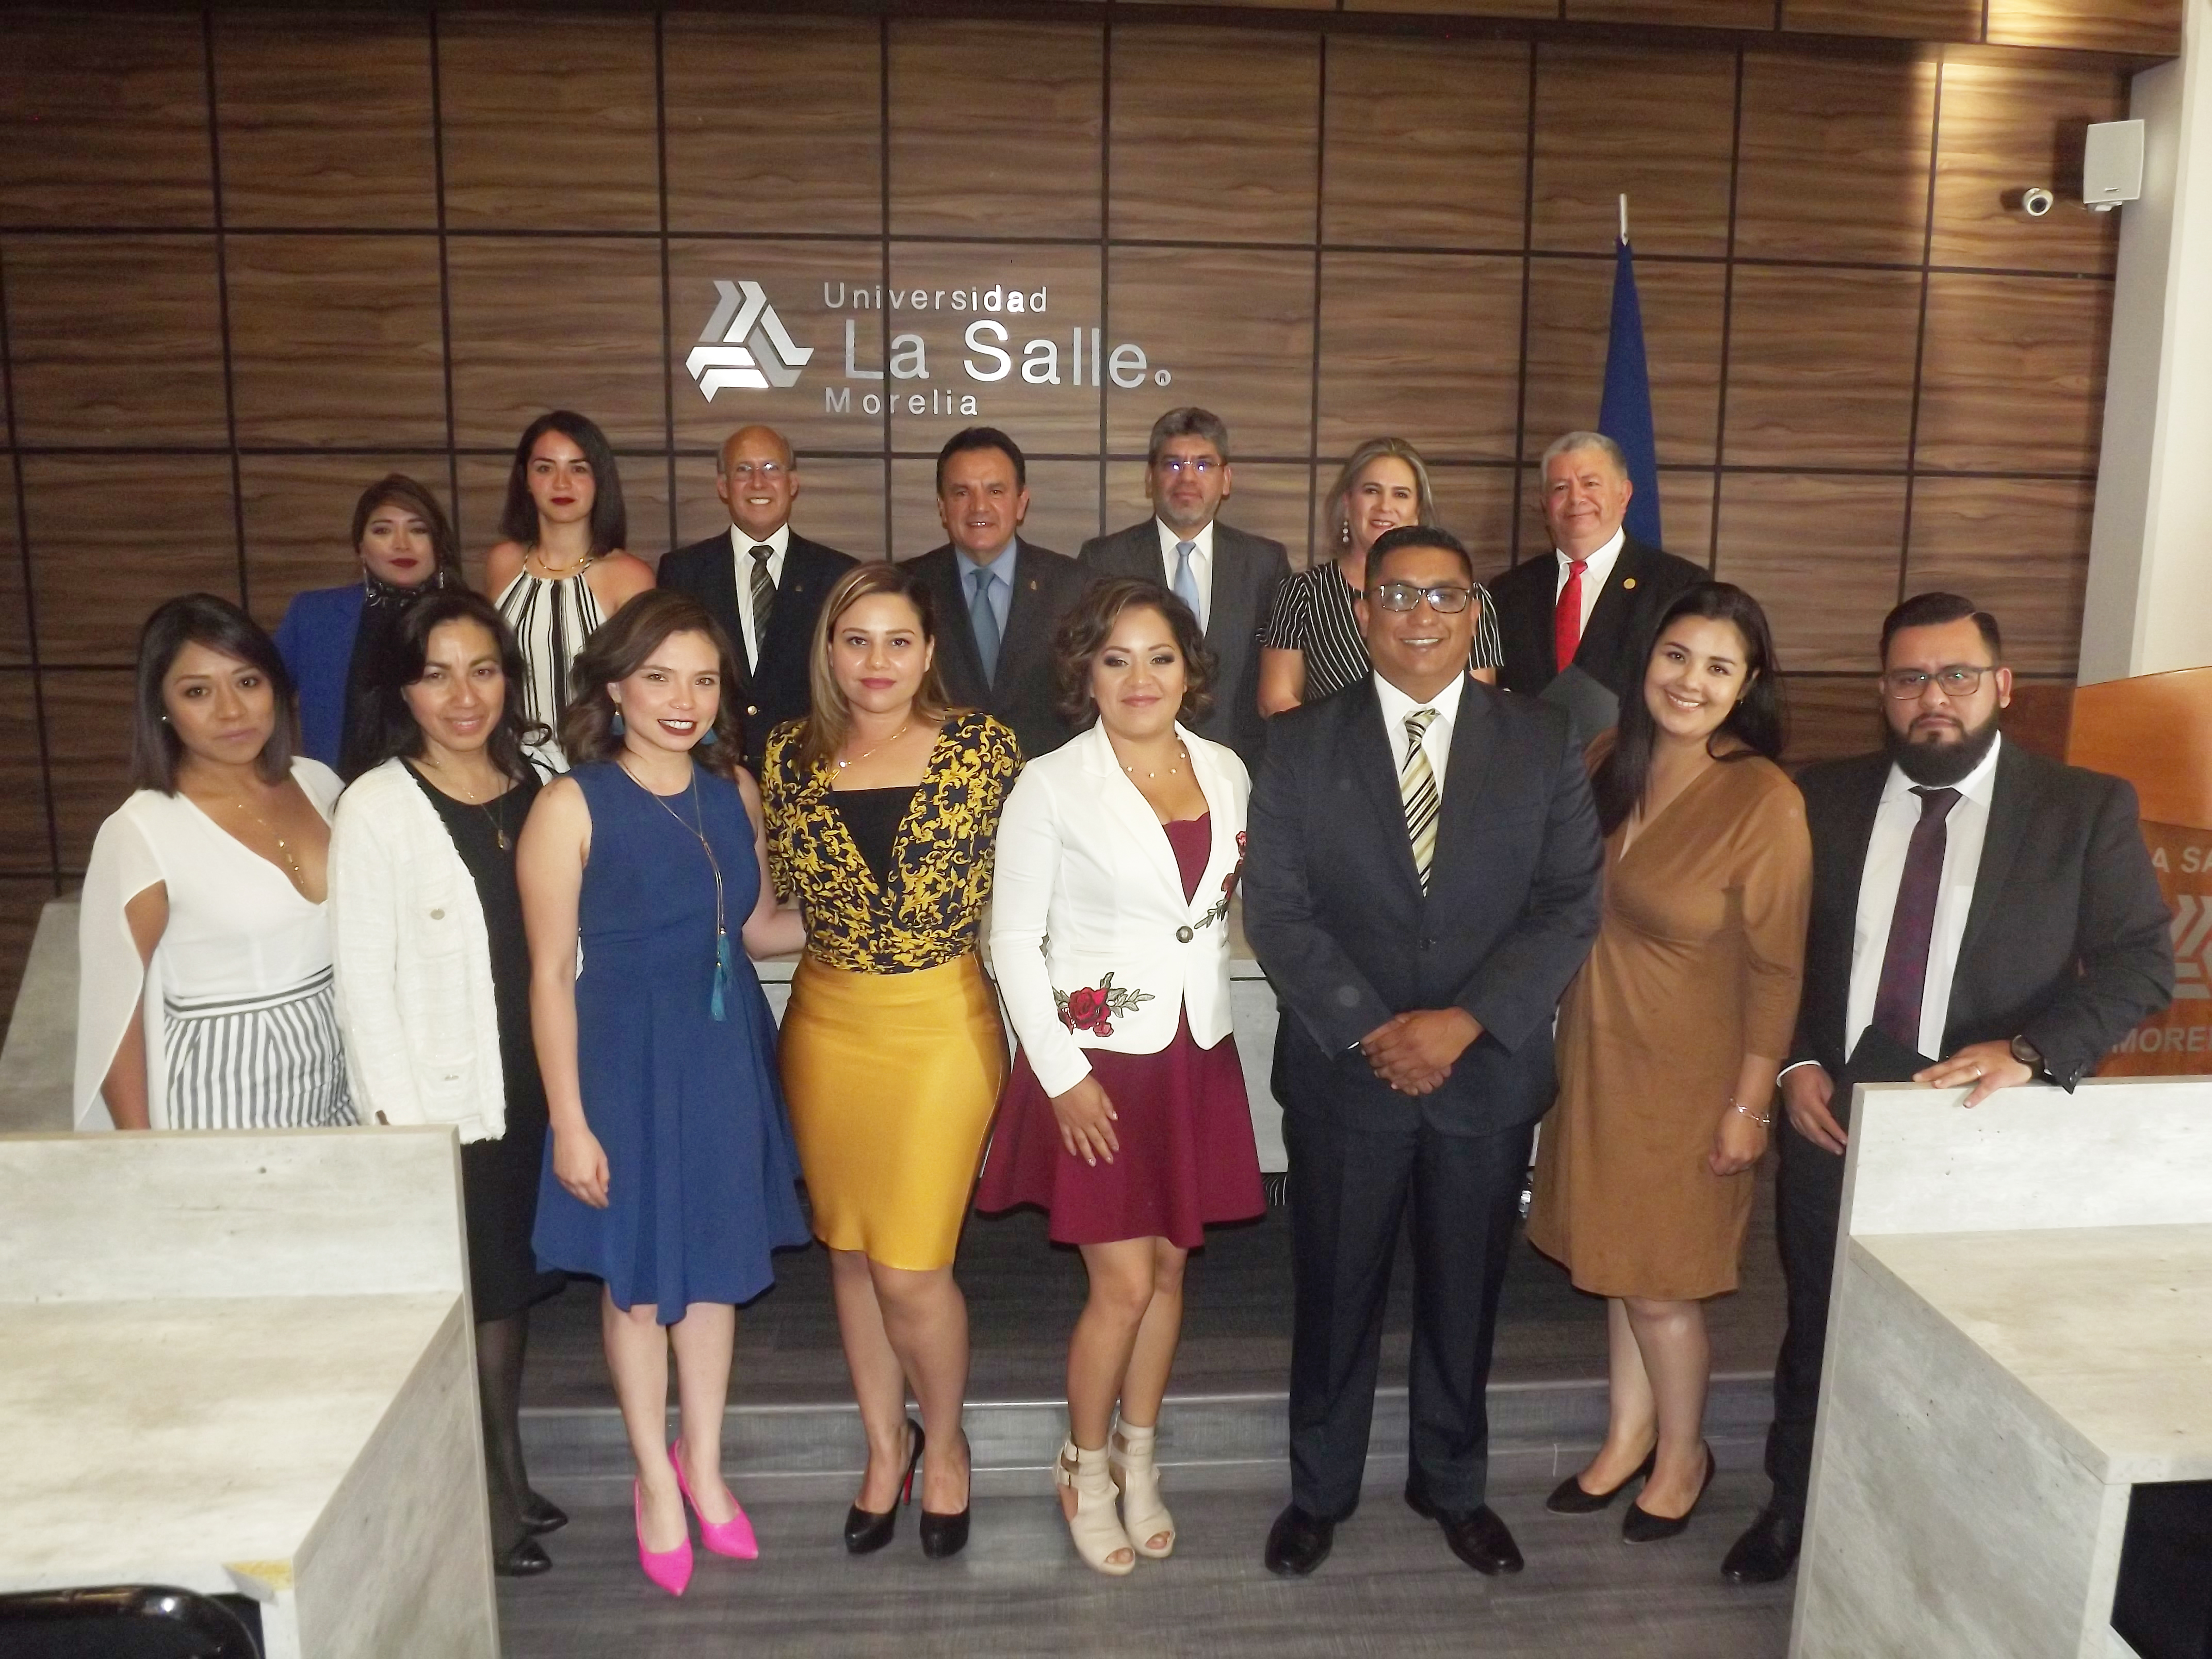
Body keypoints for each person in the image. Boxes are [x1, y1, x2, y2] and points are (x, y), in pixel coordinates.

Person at [1721, 591, 2174, 1587]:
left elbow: (2143, 963)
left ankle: (1937, 1534)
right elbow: (1773, 955)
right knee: (1816, 1326)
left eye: (1956, 676)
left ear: (2001, 686)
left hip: (1982, 1127)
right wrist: (1796, 1062)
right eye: (1910, 678)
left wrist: (2030, 1052)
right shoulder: (1817, 798)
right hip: (1832, 1116)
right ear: (1883, 693)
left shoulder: (2080, 808)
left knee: (1963, 1347)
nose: (1934, 698)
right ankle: (1793, 1506)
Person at [1243, 525, 1603, 1580]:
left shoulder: (1539, 741)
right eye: (1397, 595)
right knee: (1333, 1292)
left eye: (1445, 598)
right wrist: (1370, 1026)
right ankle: (1319, 1491)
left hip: (1481, 1075)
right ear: (1361, 615)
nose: (1421, 617)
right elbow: (1279, 909)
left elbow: (1567, 903)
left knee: (1463, 1297)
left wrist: (1465, 1021)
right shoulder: (1300, 743)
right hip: (1344, 1073)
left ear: (1473, 617)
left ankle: (1452, 1486)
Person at [517, 590, 810, 1597]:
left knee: (720, 1268)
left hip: (724, 1053)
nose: (681, 700)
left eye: (701, 678)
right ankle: (653, 1477)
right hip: (623, 1061)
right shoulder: (569, 804)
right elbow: (551, 974)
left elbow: (760, 928)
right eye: (657, 678)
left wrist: (874, 913)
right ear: (614, 688)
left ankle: (708, 1467)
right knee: (640, 1284)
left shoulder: (734, 788)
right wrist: (568, 1121)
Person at [977, 577, 1266, 1576]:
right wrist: (1058, 1075)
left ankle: (1142, 1458)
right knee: (1123, 1282)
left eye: (1158, 657)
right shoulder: (1050, 783)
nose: (1138, 678)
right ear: (1084, 675)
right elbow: (1011, 939)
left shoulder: (1227, 770)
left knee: (1173, 1267)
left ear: (1190, 671)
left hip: (1193, 1049)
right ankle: (1083, 1464)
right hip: (1093, 1065)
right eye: (1115, 659)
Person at [1526, 582, 1811, 1543]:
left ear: (1748, 685)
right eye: (1675, 656)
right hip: (1599, 1057)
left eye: (1718, 666)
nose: (1689, 681)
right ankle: (1625, 1436)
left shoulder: (1762, 798)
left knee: (1661, 1283)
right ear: (1645, 661)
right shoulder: (1610, 757)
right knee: (1616, 1262)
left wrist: (1749, 1105)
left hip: (1692, 1077)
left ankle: (1683, 1452)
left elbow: (1778, 968)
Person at [761, 561, 1022, 1562]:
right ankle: (884, 1447)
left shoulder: (983, 750)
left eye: (898, 641)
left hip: (939, 1028)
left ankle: (945, 1445)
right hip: (827, 1029)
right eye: (855, 640)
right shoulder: (786, 754)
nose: (877, 662)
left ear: (927, 651)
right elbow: (777, 917)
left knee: (912, 1269)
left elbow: (1038, 875)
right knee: (852, 1258)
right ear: (827, 650)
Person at [329, 590, 568, 1579]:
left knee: (511, 1283)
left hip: (540, 1081)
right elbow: (361, 979)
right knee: (484, 1295)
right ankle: (491, 1487)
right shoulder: (378, 804)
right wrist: (397, 1123)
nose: (462, 695)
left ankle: (506, 1471)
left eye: (481, 669)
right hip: (445, 1099)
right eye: (434, 673)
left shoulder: (542, 783)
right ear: (400, 688)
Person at [74, 595, 353, 1133]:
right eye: (197, 691)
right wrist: (144, 1152)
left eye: (248, 682)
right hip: (220, 1095)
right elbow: (114, 1019)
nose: (231, 710)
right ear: (161, 705)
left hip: (341, 1077)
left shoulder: (321, 785)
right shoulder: (141, 831)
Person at [1078, 409, 1289, 770]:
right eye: (1173, 465)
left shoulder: (1265, 564)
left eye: (1204, 465)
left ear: (1226, 480)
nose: (1187, 478)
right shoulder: (1104, 561)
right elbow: (1088, 676)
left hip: (1241, 768)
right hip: (1130, 769)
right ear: (1150, 479)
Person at [657, 424, 857, 777]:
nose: (758, 483)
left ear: (793, 484)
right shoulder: (682, 573)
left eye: (771, 469)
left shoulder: (838, 575)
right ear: (723, 487)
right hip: (711, 776)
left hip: (810, 778)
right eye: (743, 470)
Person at [1258, 437, 1502, 715]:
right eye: (1372, 491)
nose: (1385, 506)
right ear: (1348, 502)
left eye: (1401, 494)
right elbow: (1276, 701)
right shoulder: (1303, 593)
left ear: (1418, 510)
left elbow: (1479, 703)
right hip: (1330, 754)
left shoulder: (1462, 597)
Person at [905, 426, 1088, 762]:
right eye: (961, 493)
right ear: (942, 507)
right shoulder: (906, 589)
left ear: (1021, 503)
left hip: (1050, 791)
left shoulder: (1076, 587)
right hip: (938, 794)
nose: (979, 507)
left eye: (995, 491)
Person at [1488, 431, 1704, 705]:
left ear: (1624, 495)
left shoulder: (1679, 586)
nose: (1577, 498)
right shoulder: (1506, 592)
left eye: (1591, 484)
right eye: (1560, 488)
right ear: (1544, 503)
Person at [272, 474, 464, 777]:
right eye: (383, 530)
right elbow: (258, 697)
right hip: (337, 799)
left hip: (449, 794)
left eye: (417, 530)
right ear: (361, 547)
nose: (402, 544)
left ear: (438, 546)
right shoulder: (314, 615)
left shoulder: (468, 620)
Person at [487, 410, 656, 744]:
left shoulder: (630, 576)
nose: (561, 483)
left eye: (578, 469)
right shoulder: (502, 562)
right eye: (545, 468)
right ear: (526, 480)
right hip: (510, 759)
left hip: (598, 761)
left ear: (600, 480)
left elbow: (644, 688)